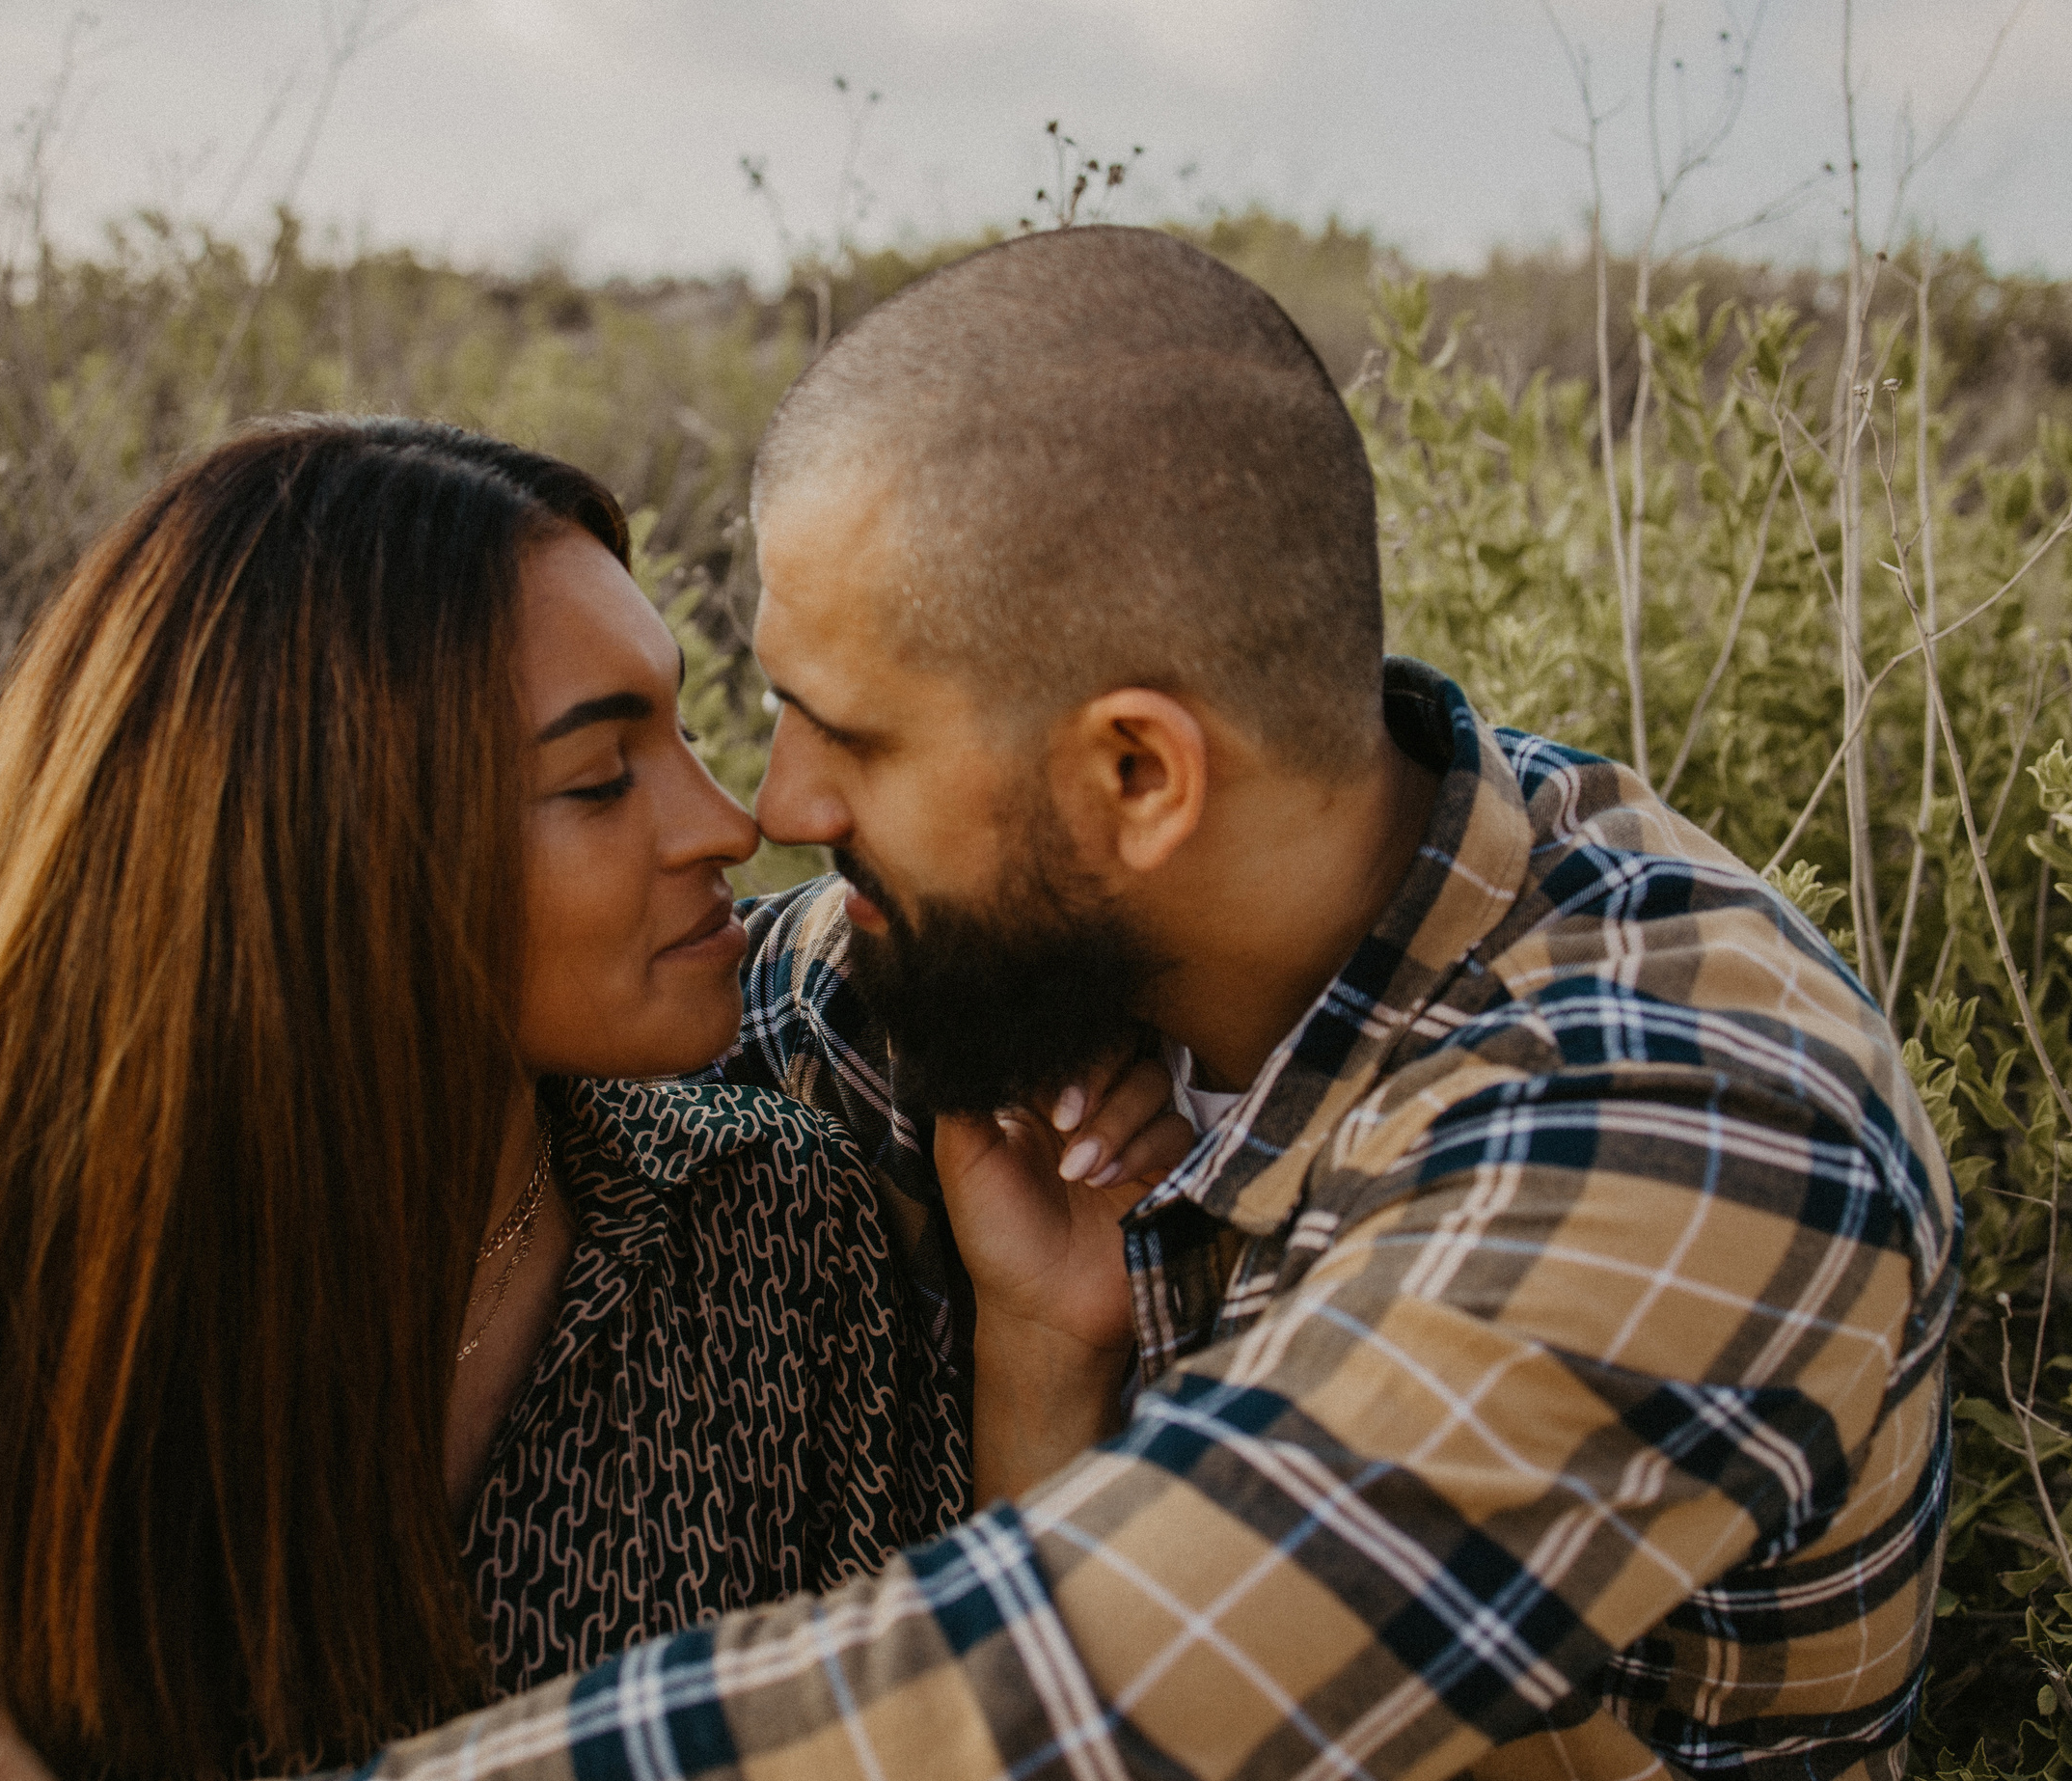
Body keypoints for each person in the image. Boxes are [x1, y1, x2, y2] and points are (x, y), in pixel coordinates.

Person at [343, 227, 1956, 1781]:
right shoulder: (1004, 941)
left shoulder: (1696, 1112)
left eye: (848, 735)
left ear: (1135, 774)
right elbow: (490, 987)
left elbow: (1066, 1706)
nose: (780, 805)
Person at [0, 417, 1186, 1780]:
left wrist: (1044, 1350)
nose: (730, 819)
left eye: (684, 727)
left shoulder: (765, 1236)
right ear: (336, 860)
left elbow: (940, 1741)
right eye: (596, 777)